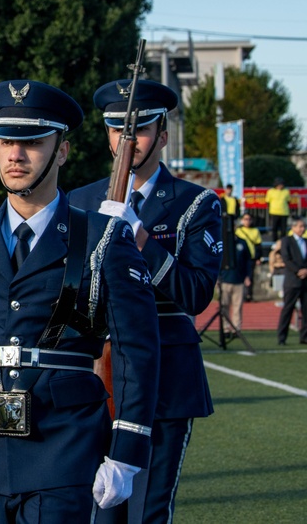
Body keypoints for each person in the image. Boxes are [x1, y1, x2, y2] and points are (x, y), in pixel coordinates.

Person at [0, 81, 159, 523]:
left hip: (65, 451)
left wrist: (126, 451)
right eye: (6, 141)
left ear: (62, 151)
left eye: (32, 143)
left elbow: (135, 352)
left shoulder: (103, 237)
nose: (15, 155)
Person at [69, 78, 222, 524]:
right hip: (94, 375)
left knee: (146, 512)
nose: (125, 141)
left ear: (163, 134)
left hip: (165, 379)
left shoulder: (195, 204)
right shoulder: (78, 200)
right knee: (93, 511)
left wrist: (139, 237)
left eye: (137, 130)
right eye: (117, 130)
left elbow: (194, 294)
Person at [277, 217, 307, 345]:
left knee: (306, 311)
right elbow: (286, 258)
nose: (302, 229)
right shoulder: (286, 241)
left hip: (306, 282)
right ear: (293, 228)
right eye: (300, 226)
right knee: (288, 309)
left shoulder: (306, 241)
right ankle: (282, 337)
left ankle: (304, 337)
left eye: (303, 226)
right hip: (292, 281)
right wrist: (298, 271)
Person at [218, 228, 252, 336]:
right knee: (224, 306)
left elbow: (248, 261)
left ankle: (236, 329)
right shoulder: (222, 242)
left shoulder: (242, 242)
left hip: (239, 280)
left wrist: (248, 276)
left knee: (237, 307)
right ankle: (225, 329)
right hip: (225, 280)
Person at [234, 212, 264, 301]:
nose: (247, 221)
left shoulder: (255, 231)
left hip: (251, 257)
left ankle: (249, 295)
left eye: (249, 219)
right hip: (240, 257)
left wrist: (258, 257)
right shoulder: (238, 231)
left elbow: (258, 245)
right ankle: (241, 295)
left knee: (250, 276)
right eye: (245, 219)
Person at [266, 177, 291, 243]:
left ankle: (283, 241)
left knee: (283, 229)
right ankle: (274, 241)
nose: (280, 186)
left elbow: (288, 201)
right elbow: (267, 201)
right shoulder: (270, 191)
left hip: (284, 212)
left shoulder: (286, 191)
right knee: (274, 228)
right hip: (274, 212)